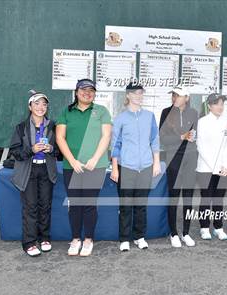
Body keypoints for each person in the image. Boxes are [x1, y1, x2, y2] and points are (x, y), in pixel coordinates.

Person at [56, 79, 112, 256]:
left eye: (91, 90)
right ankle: (75, 239)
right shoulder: (67, 111)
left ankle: (88, 239)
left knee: (89, 203)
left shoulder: (101, 111)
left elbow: (106, 136)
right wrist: (72, 161)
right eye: (83, 90)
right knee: (75, 204)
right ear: (76, 92)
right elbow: (60, 138)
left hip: (95, 166)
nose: (87, 93)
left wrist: (95, 159)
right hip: (71, 166)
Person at [111, 82, 161, 251]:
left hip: (146, 167)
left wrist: (156, 162)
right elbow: (115, 145)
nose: (139, 96)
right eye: (135, 93)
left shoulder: (149, 116)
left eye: (141, 93)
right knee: (125, 206)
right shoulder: (120, 119)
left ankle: (139, 236)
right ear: (128, 96)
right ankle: (124, 239)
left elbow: (155, 140)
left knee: (141, 205)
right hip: (127, 168)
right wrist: (115, 168)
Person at [10, 90, 58, 257]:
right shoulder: (21, 127)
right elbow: (15, 151)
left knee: (45, 205)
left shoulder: (53, 125)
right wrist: (31, 150)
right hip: (28, 171)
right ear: (30, 106)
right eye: (36, 103)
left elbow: (60, 150)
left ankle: (44, 237)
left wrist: (51, 148)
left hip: (46, 169)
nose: (40, 107)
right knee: (30, 207)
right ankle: (29, 242)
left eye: (44, 104)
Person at [159, 85, 198, 248]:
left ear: (186, 98)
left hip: (190, 158)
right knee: (174, 196)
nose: (175, 98)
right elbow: (162, 139)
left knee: (188, 196)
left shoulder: (194, 113)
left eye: (179, 95)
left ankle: (186, 233)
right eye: (173, 95)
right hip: (173, 158)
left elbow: (196, 135)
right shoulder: (166, 112)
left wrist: (193, 137)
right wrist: (181, 136)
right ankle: (173, 233)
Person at [196, 93, 227, 241]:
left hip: (221, 169)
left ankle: (218, 227)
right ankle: (204, 228)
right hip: (205, 168)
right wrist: (215, 166)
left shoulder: (226, 122)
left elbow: (226, 145)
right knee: (206, 198)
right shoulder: (202, 122)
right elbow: (201, 146)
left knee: (218, 199)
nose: (220, 107)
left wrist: (225, 165)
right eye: (217, 103)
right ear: (209, 106)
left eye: (222, 104)